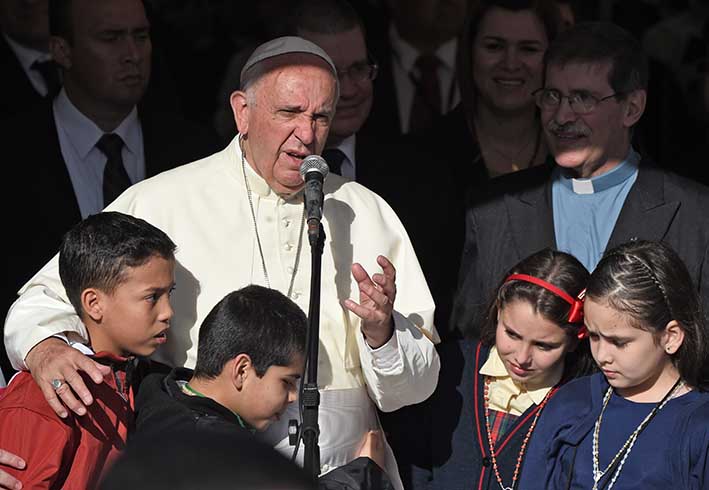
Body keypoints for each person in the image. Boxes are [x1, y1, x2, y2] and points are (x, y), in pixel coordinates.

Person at [4, 36, 440, 490]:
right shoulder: (163, 199)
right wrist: (48, 348)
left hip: (347, 469)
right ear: (242, 111)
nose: (307, 135)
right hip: (202, 466)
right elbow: (43, 300)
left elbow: (414, 390)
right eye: (289, 113)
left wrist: (382, 334)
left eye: (320, 117)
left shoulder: (365, 212)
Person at [451, 21, 709, 338]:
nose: (562, 117)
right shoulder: (494, 210)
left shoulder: (695, 214)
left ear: (632, 108)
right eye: (552, 96)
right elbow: (469, 342)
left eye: (583, 99)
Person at [2, 0, 219, 375]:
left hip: (174, 396)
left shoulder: (195, 152)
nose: (132, 54)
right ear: (61, 50)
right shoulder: (12, 157)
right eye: (111, 38)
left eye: (141, 36)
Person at [133, 285, 393, 489]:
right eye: (287, 381)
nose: (293, 397)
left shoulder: (159, 397)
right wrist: (366, 473)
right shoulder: (213, 449)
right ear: (242, 370)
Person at [0, 211, 176, 489]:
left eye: (170, 294)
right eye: (152, 297)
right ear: (94, 303)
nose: (168, 312)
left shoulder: (133, 379)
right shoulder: (44, 398)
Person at [519, 240, 709, 489]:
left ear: (670, 337)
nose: (602, 355)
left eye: (619, 342)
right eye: (593, 336)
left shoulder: (698, 427)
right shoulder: (571, 403)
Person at [403, 248, 593, 490]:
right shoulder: (450, 366)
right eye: (512, 334)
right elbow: (412, 461)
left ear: (574, 341)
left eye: (544, 346)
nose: (522, 357)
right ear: (498, 311)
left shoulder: (582, 401)